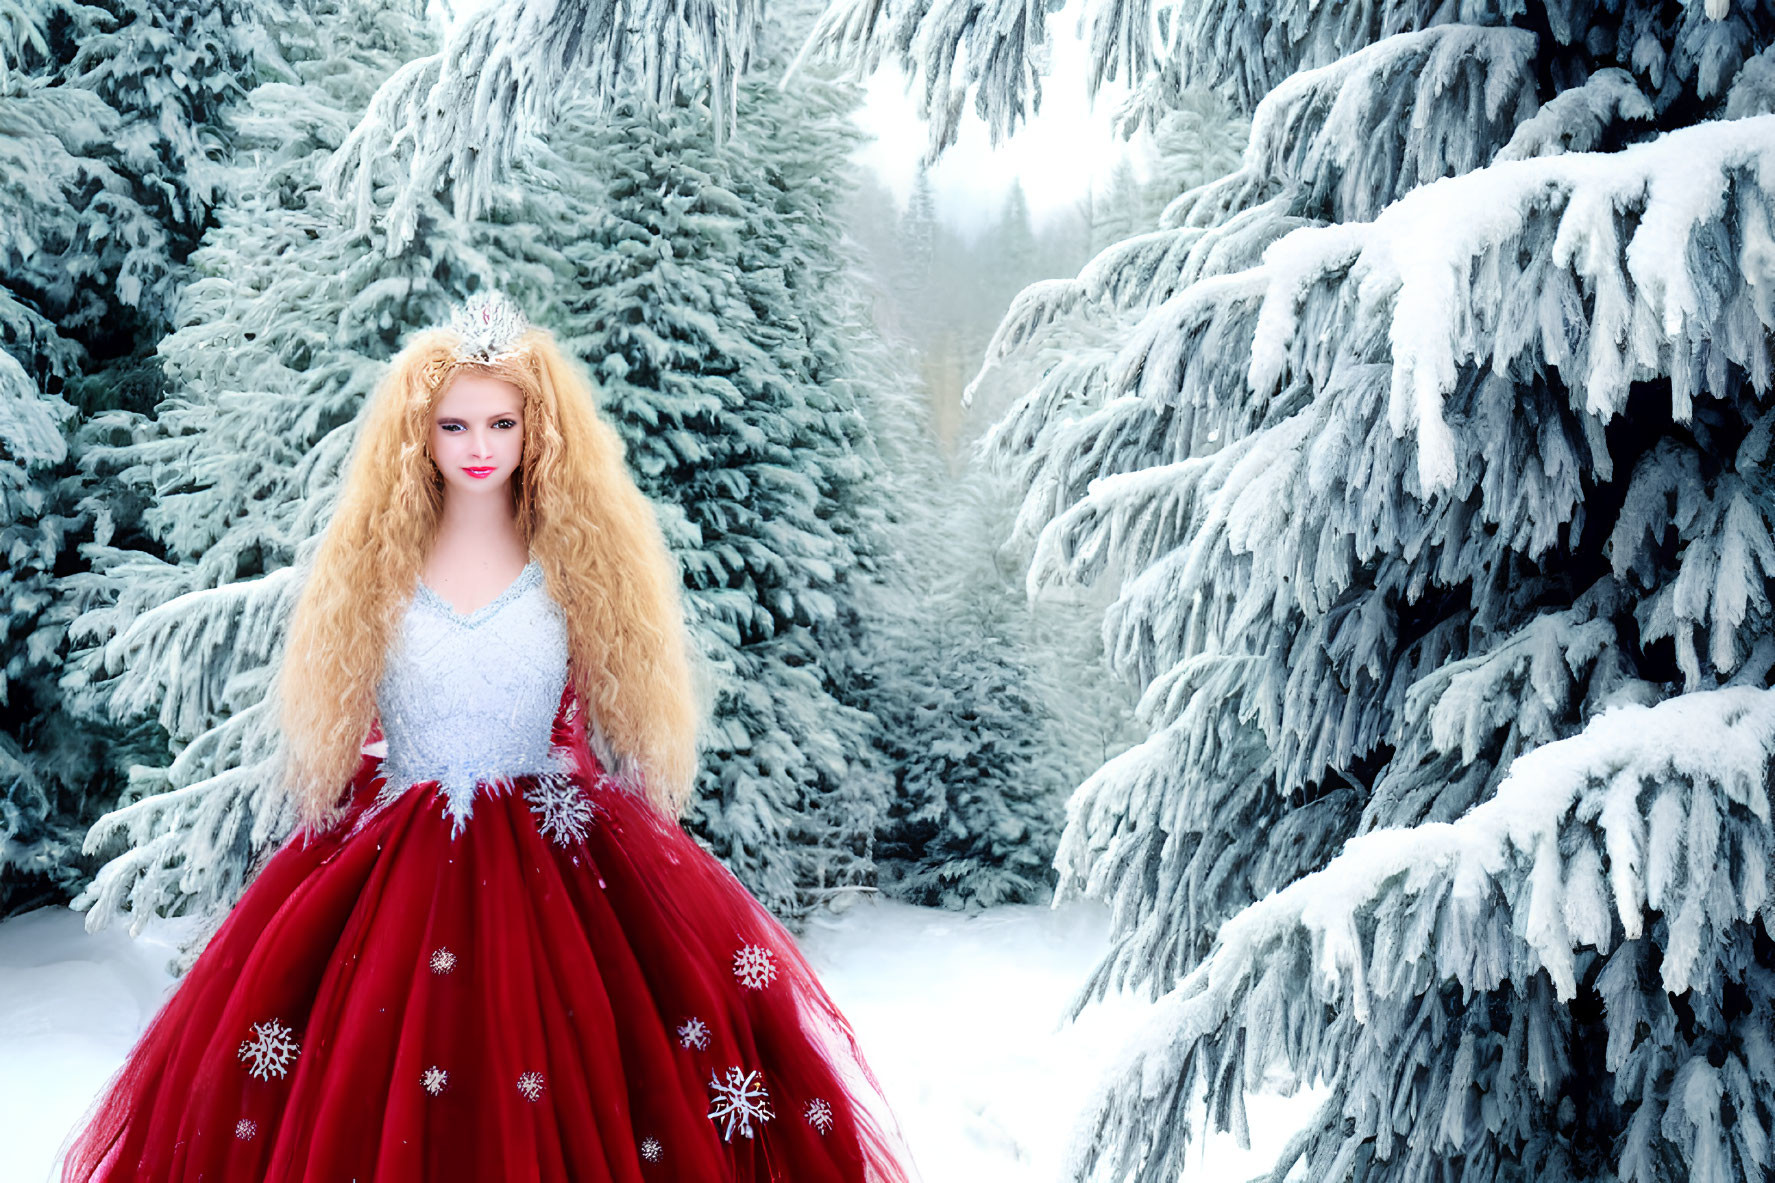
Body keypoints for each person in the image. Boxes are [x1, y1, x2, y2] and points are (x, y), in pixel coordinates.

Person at [56, 291, 917, 1183]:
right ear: (418, 435)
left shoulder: (575, 567)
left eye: (501, 422)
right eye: (454, 424)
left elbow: (613, 701)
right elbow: (345, 720)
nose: (477, 447)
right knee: (352, 1072)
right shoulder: (373, 573)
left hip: (559, 857)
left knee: (608, 1068)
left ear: (536, 429)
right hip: (398, 858)